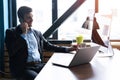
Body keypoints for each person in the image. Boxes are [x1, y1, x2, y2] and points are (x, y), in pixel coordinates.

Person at [5, 6, 77, 80]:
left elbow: (48, 46)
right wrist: (23, 34)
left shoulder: (37, 33)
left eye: (32, 17)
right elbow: (12, 51)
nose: (32, 19)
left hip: (39, 65)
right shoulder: (11, 32)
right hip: (24, 68)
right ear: (21, 19)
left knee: (61, 73)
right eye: (28, 17)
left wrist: (67, 49)